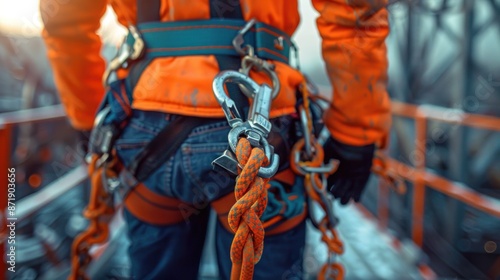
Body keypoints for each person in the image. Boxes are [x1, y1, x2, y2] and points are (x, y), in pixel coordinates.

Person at [40, 0, 391, 279]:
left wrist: (87, 117)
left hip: (147, 124)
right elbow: (353, 11)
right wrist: (353, 132)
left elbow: (65, 18)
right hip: (263, 116)